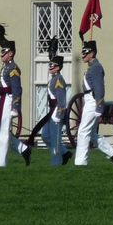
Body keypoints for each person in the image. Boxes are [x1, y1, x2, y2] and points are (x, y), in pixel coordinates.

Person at [0, 24, 31, 167]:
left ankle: (0, 163)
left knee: (3, 135)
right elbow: (1, 89)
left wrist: (15, 107)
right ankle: (24, 149)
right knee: (0, 131)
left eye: (4, 51)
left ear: (11, 53)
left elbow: (17, 89)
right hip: (2, 101)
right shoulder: (5, 68)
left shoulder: (13, 69)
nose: (1, 54)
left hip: (9, 101)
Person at [74, 36, 113, 168]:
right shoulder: (92, 67)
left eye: (85, 52)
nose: (83, 55)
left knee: (83, 131)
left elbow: (99, 88)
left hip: (93, 101)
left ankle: (81, 162)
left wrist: (99, 106)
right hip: (89, 100)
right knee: (91, 134)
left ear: (92, 53)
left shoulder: (96, 68)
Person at [27, 37, 72, 166]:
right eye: (50, 64)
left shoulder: (58, 80)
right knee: (45, 135)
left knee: (55, 141)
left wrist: (59, 116)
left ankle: (56, 164)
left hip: (56, 114)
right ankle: (65, 153)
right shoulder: (53, 79)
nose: (50, 66)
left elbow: (62, 101)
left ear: (58, 68)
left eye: (53, 65)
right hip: (51, 113)